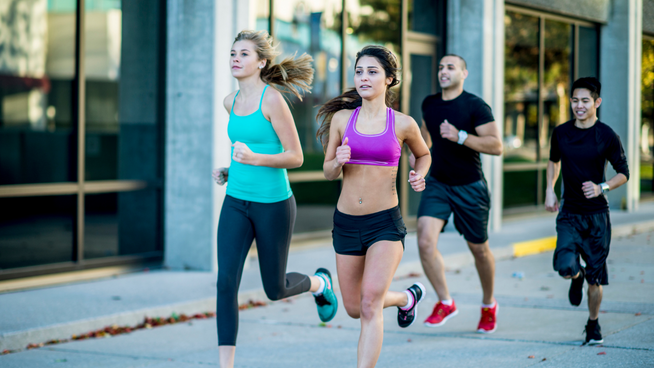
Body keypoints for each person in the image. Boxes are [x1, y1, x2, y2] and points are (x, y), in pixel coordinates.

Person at [213, 30, 338, 368]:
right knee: (225, 282)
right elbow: (251, 148)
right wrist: (230, 169)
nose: (235, 59)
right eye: (232, 53)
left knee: (275, 288)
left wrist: (254, 160)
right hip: (236, 202)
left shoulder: (272, 100)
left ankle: (319, 283)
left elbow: (294, 156)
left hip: (273, 206)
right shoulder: (230, 101)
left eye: (244, 54)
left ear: (261, 62)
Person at [316, 45, 431, 367]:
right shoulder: (342, 120)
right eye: (359, 71)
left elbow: (423, 154)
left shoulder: (403, 123)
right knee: (354, 307)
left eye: (372, 71)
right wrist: (336, 162)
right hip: (347, 224)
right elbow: (327, 172)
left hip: (384, 224)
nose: (363, 77)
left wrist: (419, 175)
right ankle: (406, 298)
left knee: (369, 304)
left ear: (389, 79)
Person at [412, 54, 503, 333]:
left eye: (450, 67)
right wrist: (416, 159)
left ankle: (489, 304)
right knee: (425, 241)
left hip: (469, 185)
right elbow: (426, 138)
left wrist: (460, 136)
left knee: (479, 249)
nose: (443, 71)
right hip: (438, 182)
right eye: (440, 67)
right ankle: (445, 301)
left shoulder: (475, 106)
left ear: (464, 73)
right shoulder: (429, 103)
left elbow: (496, 145)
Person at [545, 77, 629, 345]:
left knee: (596, 280)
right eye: (575, 100)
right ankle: (575, 275)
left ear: (597, 102)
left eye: (585, 101)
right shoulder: (561, 133)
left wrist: (602, 186)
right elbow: (553, 161)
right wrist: (550, 189)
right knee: (564, 265)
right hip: (569, 213)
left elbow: (623, 173)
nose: (579, 106)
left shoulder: (606, 135)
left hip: (596, 218)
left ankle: (593, 323)